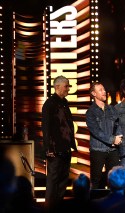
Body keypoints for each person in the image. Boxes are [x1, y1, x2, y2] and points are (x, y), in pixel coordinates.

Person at [41, 75, 78, 212]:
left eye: (68, 86)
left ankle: (57, 208)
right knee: (53, 181)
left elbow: (67, 125)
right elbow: (45, 127)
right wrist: (48, 148)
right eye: (66, 86)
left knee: (63, 181)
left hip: (65, 148)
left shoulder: (65, 102)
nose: (68, 89)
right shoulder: (49, 104)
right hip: (54, 150)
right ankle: (49, 209)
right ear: (57, 87)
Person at [86, 82, 123, 189]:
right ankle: (95, 204)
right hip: (98, 150)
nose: (104, 92)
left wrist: (118, 138)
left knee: (115, 180)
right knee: (96, 180)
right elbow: (96, 131)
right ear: (93, 93)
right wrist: (112, 140)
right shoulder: (90, 112)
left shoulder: (112, 109)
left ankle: (114, 204)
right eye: (100, 90)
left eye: (104, 89)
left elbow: (118, 124)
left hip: (113, 151)